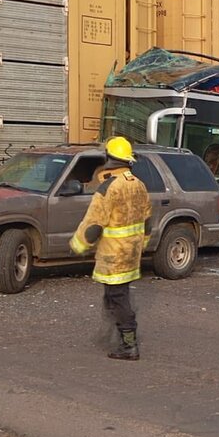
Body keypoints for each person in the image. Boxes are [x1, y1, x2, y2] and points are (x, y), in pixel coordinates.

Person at [71, 137, 152, 361]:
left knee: (118, 296)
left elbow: (93, 224)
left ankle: (129, 346)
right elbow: (148, 220)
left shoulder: (108, 187)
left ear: (109, 159)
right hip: (131, 252)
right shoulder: (138, 184)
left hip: (114, 254)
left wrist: (78, 245)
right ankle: (117, 336)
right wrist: (143, 243)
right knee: (114, 294)